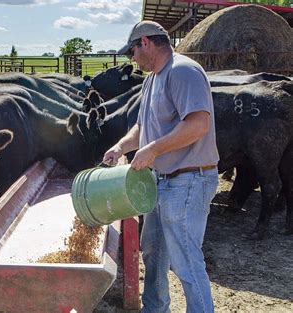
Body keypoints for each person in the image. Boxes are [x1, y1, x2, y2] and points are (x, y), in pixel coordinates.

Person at [103, 21, 219, 312]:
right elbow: (143, 127)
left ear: (145, 43)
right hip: (162, 180)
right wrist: (121, 147)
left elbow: (198, 124)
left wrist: (153, 150)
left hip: (189, 180)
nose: (132, 59)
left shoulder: (183, 71)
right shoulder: (151, 79)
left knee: (186, 260)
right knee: (153, 250)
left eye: (132, 52)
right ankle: (155, 308)